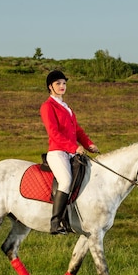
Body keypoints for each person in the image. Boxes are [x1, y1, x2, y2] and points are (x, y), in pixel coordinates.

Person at [40, 70, 99, 234]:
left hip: (71, 153)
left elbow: (78, 131)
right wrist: (74, 147)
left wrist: (89, 145)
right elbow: (54, 133)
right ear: (50, 86)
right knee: (65, 181)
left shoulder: (67, 107)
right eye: (58, 83)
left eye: (64, 83)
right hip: (58, 152)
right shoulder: (47, 106)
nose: (62, 86)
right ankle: (56, 223)